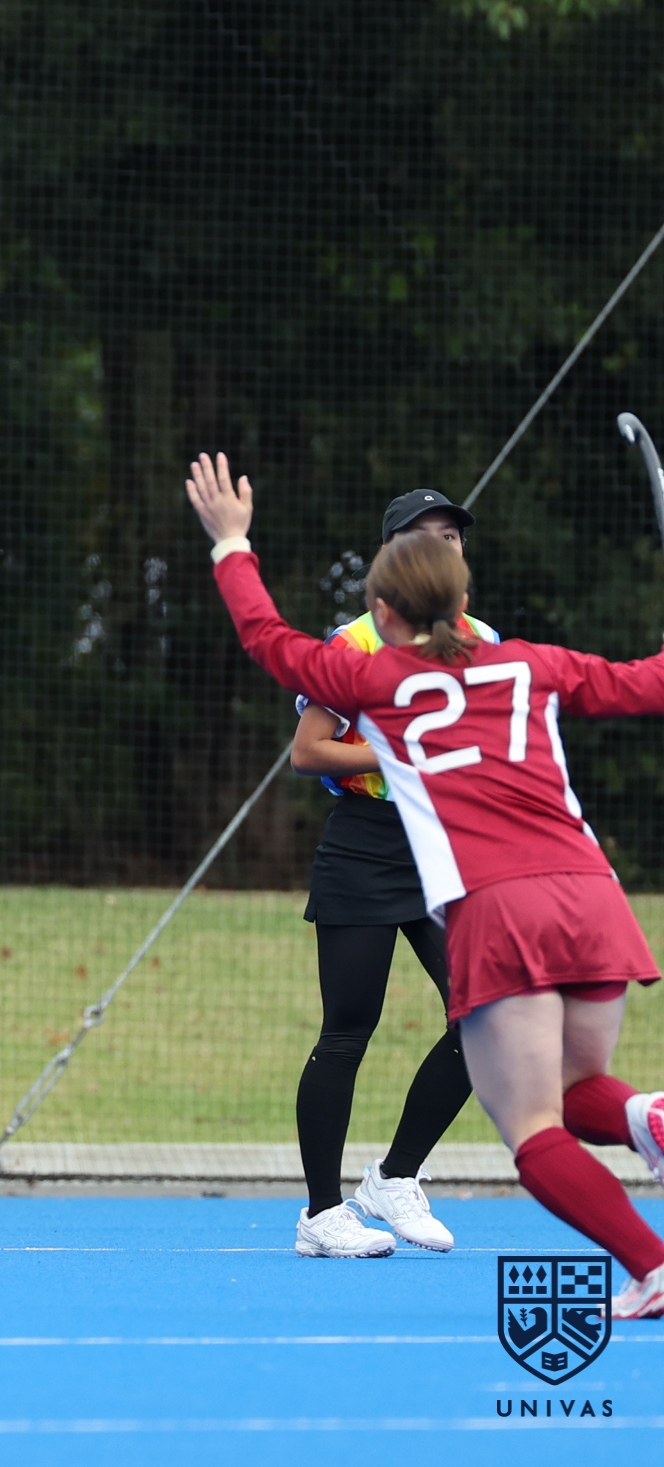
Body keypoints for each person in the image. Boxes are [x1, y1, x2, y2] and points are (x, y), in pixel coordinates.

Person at [186, 453, 664, 1318]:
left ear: (385, 606)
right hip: (596, 899)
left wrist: (231, 543)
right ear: (459, 593)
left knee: (534, 1128)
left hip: (501, 907)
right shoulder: (532, 664)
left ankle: (649, 1252)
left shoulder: (381, 681)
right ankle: (644, 1120)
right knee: (576, 1090)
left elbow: (266, 638)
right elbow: (650, 683)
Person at [285, 488, 490, 1259]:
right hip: (366, 844)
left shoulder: (480, 640)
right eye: (425, 534)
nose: (443, 544)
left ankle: (396, 1177)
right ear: (391, 553)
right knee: (348, 1030)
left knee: (486, 1015)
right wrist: (399, 750)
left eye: (452, 535)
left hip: (443, 846)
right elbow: (309, 752)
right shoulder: (355, 643)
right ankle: (320, 1213)